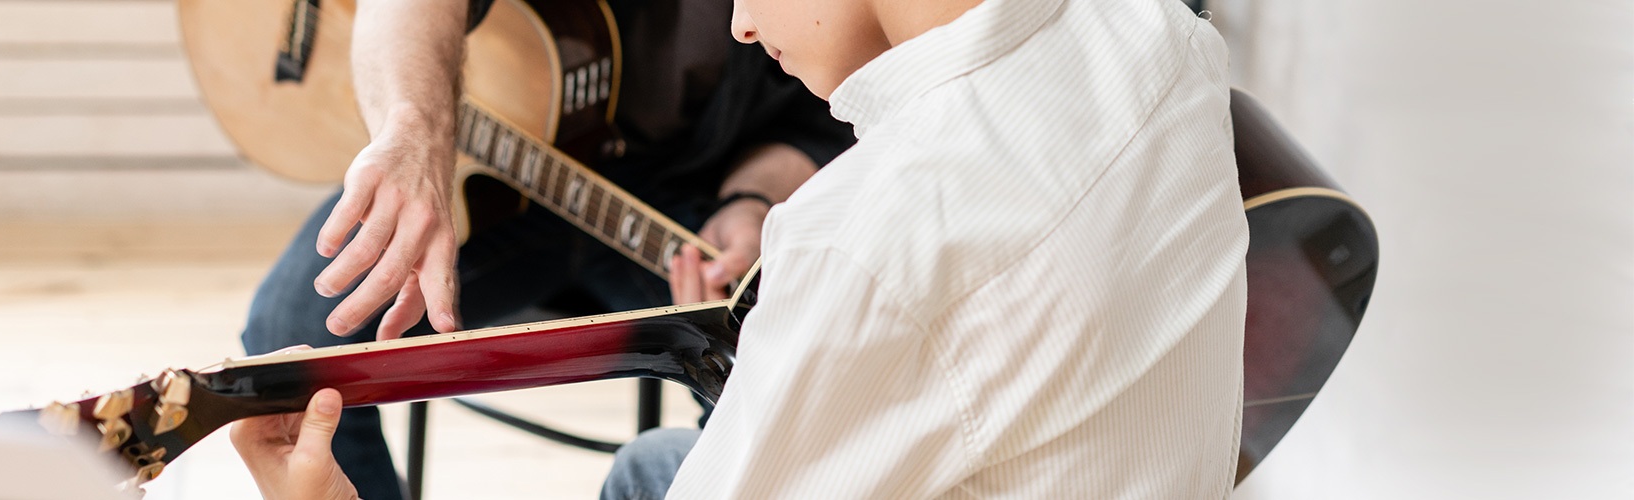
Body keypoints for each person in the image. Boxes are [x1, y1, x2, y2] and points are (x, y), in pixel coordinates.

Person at [236, 0, 1250, 497]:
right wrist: (415, 129)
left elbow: (874, 234)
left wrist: (761, 202)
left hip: (733, 198)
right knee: (646, 464)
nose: (737, 17)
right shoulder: (1161, 37)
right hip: (526, 181)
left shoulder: (859, 246)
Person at [237, 0, 856, 498]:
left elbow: (814, 118)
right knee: (289, 334)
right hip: (481, 182)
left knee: (765, 351)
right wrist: (414, 128)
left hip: (685, 191)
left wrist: (752, 198)